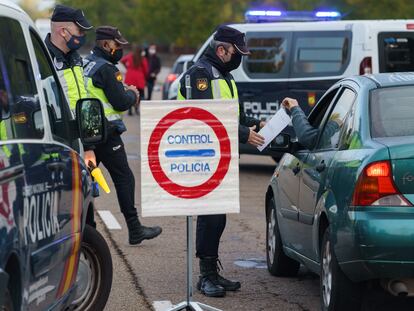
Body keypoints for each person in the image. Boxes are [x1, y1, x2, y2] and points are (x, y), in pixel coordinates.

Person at [177, 25, 265, 298]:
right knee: (210, 216)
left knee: (218, 218)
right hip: (201, 157)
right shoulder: (200, 75)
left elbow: (232, 115)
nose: (240, 58)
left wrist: (255, 124)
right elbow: (205, 117)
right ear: (221, 50)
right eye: (237, 52)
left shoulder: (224, 76)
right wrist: (243, 134)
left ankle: (212, 272)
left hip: (221, 156)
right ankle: (205, 277)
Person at [83, 26, 162, 245]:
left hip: (88, 132)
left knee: (86, 182)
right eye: (117, 45)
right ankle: (135, 229)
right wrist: (132, 94)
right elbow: (119, 101)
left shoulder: (85, 63)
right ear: (106, 44)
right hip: (107, 134)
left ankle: (88, 229)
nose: (120, 50)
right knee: (124, 178)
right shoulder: (107, 69)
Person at [45, 4, 96, 167]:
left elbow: (83, 101)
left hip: (79, 144)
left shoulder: (76, 58)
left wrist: (89, 147)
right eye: (79, 31)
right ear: (63, 32)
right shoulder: (42, 59)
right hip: (54, 147)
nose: (83, 35)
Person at [121, 45, 148, 115]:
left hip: (130, 77)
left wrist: (127, 67)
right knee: (139, 94)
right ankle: (136, 108)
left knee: (130, 93)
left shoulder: (130, 56)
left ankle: (130, 110)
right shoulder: (142, 58)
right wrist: (144, 76)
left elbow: (122, 60)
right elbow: (146, 69)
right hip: (139, 78)